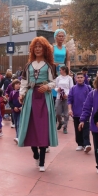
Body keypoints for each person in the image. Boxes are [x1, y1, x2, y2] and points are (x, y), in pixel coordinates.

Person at [18, 36, 58, 172]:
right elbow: (24, 82)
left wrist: (47, 87)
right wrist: (21, 94)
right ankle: (34, 151)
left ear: (45, 49)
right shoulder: (28, 65)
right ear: (32, 49)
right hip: (30, 97)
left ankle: (42, 161)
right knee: (30, 126)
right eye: (36, 47)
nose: (38, 49)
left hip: (44, 99)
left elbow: (54, 82)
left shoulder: (50, 66)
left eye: (40, 47)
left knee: (43, 127)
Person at [68, 72, 92, 152]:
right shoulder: (73, 89)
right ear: (75, 79)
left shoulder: (88, 88)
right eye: (78, 77)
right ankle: (80, 144)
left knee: (86, 128)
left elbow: (92, 99)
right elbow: (69, 100)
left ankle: (87, 144)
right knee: (78, 129)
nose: (80, 79)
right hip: (76, 113)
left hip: (86, 113)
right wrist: (70, 109)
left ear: (84, 78)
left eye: (81, 77)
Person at [55, 66, 74, 134]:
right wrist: (58, 90)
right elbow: (55, 87)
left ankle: (65, 127)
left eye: (60, 70)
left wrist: (67, 94)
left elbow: (71, 88)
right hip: (59, 96)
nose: (60, 71)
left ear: (64, 70)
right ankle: (60, 122)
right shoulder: (58, 78)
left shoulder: (69, 78)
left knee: (66, 113)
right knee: (57, 112)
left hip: (66, 97)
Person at [9, 79, 22, 144]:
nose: (18, 85)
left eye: (19, 84)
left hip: (21, 111)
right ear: (13, 86)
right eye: (16, 84)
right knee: (16, 124)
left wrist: (21, 107)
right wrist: (13, 107)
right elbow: (10, 102)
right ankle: (18, 135)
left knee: (19, 123)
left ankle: (18, 137)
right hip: (14, 111)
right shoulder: (12, 93)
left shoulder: (21, 92)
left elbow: (24, 101)